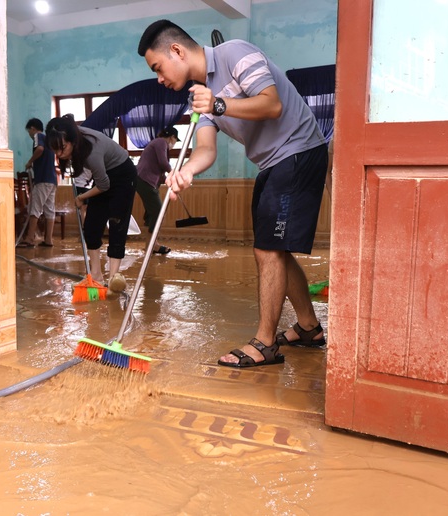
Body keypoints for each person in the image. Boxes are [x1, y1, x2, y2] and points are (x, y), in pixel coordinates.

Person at [138, 20, 329, 368]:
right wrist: (187, 171)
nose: (160, 79)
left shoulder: (235, 53)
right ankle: (308, 327)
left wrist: (220, 104)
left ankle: (266, 344)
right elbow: (206, 149)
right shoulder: (199, 96)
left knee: (268, 249)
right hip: (272, 163)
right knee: (275, 249)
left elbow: (272, 105)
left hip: (299, 151)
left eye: (158, 68)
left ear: (177, 51)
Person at [45, 115, 137, 292]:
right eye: (55, 150)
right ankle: (95, 275)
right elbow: (97, 180)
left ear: (72, 140)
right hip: (104, 176)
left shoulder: (91, 151)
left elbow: (104, 185)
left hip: (123, 175)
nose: (59, 154)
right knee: (92, 225)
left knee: (117, 223)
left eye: (62, 148)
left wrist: (81, 198)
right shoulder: (75, 144)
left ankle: (113, 279)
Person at [136, 126, 179, 254]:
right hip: (144, 180)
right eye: (175, 140)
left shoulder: (157, 143)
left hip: (144, 181)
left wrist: (167, 179)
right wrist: (173, 173)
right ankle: (152, 245)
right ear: (172, 137)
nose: (174, 143)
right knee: (158, 213)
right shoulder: (161, 142)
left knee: (153, 213)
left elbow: (158, 168)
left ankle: (151, 245)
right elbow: (162, 162)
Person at [18, 118, 57, 248]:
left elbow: (39, 149)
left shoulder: (38, 136)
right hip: (52, 180)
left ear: (33, 128)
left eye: (29, 130)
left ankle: (29, 239)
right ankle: (48, 240)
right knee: (49, 210)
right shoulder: (48, 139)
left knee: (34, 208)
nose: (29, 134)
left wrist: (30, 162)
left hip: (43, 180)